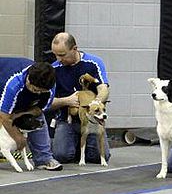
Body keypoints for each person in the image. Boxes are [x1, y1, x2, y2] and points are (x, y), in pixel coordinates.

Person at [49, 32, 111, 164]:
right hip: (67, 119)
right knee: (61, 156)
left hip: (91, 119)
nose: (58, 59)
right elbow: (47, 101)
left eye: (62, 55)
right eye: (55, 55)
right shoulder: (54, 69)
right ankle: (75, 143)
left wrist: (96, 102)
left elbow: (103, 88)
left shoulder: (94, 62)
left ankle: (80, 143)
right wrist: (66, 101)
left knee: (99, 156)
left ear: (74, 49)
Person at [0, 57, 63, 170]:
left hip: (23, 98)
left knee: (36, 118)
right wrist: (19, 138)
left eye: (41, 91)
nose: (38, 93)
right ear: (28, 80)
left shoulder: (50, 85)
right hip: (4, 84)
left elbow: (39, 109)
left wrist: (19, 115)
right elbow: (4, 117)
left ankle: (44, 159)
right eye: (35, 90)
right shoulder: (14, 84)